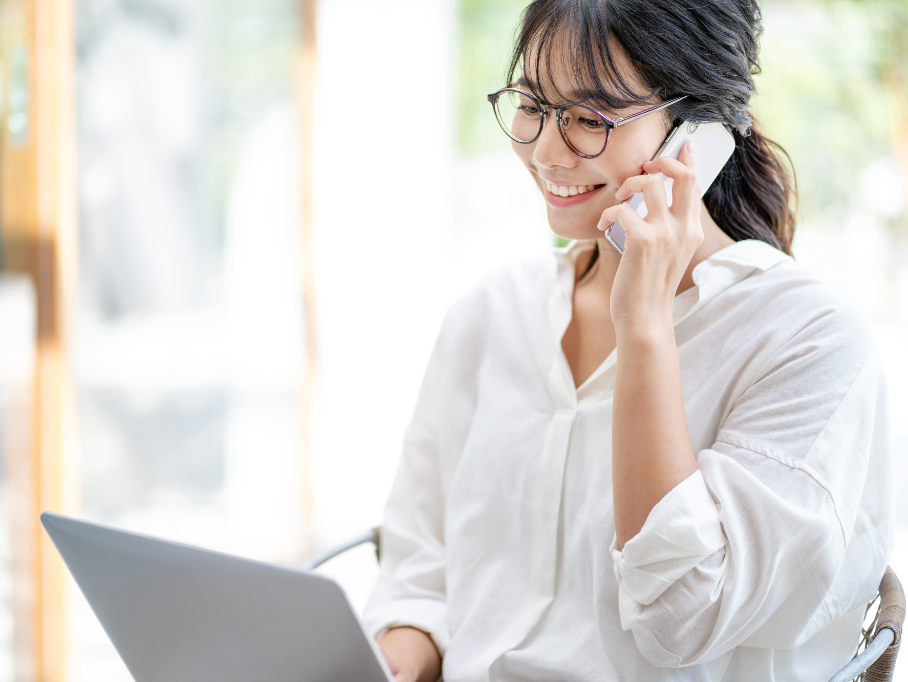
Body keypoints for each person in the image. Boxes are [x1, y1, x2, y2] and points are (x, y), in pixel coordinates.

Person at [362, 1, 894, 680]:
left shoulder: (809, 342)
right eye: (532, 103)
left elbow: (684, 616)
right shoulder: (491, 315)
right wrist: (396, 660)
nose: (546, 152)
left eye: (589, 119)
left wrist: (643, 324)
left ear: (695, 135)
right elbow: (420, 563)